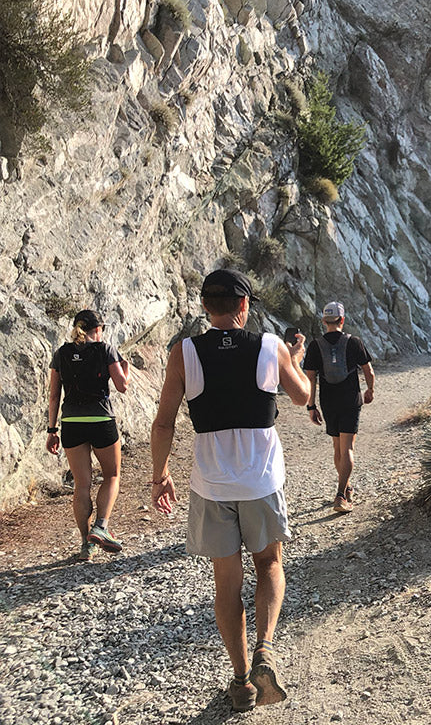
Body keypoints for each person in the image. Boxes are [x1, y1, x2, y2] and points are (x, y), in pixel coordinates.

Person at [149, 269, 310, 712]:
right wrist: (292, 359)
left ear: (205, 307)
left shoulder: (184, 352)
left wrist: (160, 475)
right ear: (244, 306)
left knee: (227, 583)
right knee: (270, 563)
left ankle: (240, 681)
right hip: (261, 481)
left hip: (211, 485)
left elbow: (163, 422)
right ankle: (264, 648)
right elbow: (302, 395)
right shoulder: (269, 346)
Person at [46, 309, 130, 561]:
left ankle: (86, 545)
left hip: (71, 422)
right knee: (112, 475)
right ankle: (101, 527)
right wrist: (126, 369)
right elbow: (122, 386)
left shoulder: (61, 354)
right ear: (98, 329)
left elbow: (53, 395)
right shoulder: (105, 350)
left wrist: (52, 430)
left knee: (82, 485)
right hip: (101, 420)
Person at [303, 301, 374, 513]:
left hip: (328, 401)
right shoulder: (354, 342)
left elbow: (311, 379)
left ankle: (346, 486)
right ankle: (341, 495)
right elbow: (368, 370)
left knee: (337, 448)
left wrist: (311, 406)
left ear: (324, 321)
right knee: (348, 448)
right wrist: (370, 390)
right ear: (342, 320)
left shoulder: (315, 345)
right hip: (350, 400)